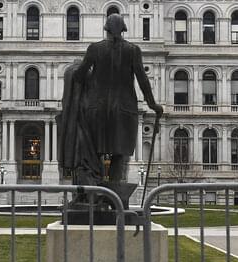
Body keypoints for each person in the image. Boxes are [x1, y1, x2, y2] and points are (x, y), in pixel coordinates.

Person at [61, 13, 163, 186]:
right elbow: (142, 80)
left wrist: (76, 68)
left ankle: (97, 191)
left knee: (96, 152)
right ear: (123, 29)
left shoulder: (94, 49)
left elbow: (79, 76)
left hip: (97, 109)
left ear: (106, 29)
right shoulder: (133, 50)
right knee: (118, 154)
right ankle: (115, 195)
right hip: (124, 109)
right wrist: (153, 104)